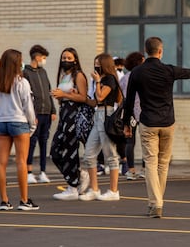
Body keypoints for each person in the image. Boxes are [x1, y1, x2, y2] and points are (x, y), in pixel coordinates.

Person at [123, 37, 190, 218]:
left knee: (150, 162)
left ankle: (155, 203)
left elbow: (129, 101)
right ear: (160, 51)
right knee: (163, 164)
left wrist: (127, 124)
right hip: (167, 122)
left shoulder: (137, 72)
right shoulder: (168, 70)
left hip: (148, 123)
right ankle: (157, 202)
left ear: (146, 51)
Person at [0, 49, 38, 211]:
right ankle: (24, 200)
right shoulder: (21, 82)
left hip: (2, 122)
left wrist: (2, 117)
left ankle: (4, 201)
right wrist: (32, 125)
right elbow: (28, 107)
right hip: (19, 122)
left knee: (1, 162)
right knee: (21, 161)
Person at [79, 53, 124, 201]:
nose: (96, 66)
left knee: (110, 155)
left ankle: (113, 190)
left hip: (106, 116)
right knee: (89, 155)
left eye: (98, 63)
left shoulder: (109, 79)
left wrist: (97, 82)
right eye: (95, 63)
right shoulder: (101, 80)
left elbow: (100, 97)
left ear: (105, 64)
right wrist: (81, 97)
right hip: (98, 115)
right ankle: (95, 189)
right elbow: (94, 102)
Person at [50, 47, 90, 200]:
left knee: (70, 150)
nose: (66, 61)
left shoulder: (78, 75)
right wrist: (59, 97)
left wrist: (64, 94)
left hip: (74, 115)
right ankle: (79, 175)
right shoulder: (63, 76)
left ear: (75, 60)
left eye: (69, 58)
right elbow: (66, 96)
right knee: (55, 151)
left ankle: (73, 187)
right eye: (64, 58)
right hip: (64, 115)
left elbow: (83, 98)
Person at [23, 45, 57, 184]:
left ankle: (43, 171)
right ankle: (29, 172)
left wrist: (53, 110)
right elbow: (27, 96)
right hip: (34, 114)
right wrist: (31, 115)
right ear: (37, 57)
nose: (44, 60)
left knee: (44, 142)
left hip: (46, 113)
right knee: (31, 143)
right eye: (43, 58)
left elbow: (48, 91)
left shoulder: (43, 72)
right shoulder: (25, 72)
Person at [119, 52, 145, 180]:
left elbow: (121, 97)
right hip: (144, 110)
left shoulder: (124, 78)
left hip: (130, 112)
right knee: (146, 140)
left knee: (130, 141)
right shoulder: (143, 75)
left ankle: (131, 170)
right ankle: (145, 169)